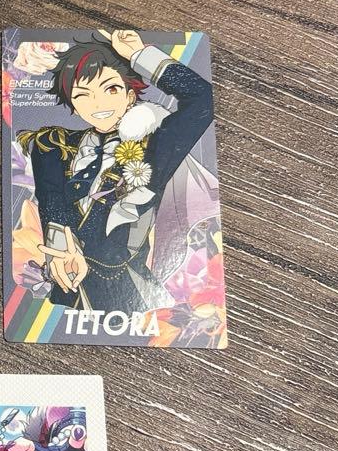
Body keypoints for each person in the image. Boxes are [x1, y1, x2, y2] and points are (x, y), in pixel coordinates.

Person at [19, 29, 215, 315]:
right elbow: (52, 202)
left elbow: (203, 99)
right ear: (74, 106)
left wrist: (138, 54)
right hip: (68, 287)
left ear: (130, 94)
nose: (98, 104)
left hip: (128, 292)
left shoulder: (156, 146)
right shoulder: (52, 145)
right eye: (83, 95)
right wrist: (61, 250)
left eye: (110, 89)